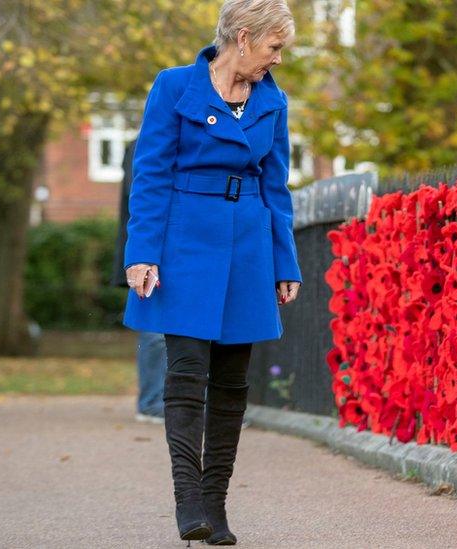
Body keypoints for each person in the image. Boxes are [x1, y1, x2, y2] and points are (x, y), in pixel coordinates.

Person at [121, 0, 302, 544]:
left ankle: (216, 506)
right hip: (184, 244)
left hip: (248, 245)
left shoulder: (273, 101)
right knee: (184, 375)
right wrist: (140, 251)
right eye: (274, 47)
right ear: (243, 38)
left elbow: (277, 188)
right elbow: (149, 173)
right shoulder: (175, 87)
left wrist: (284, 262)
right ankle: (189, 501)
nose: (277, 59)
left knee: (231, 383)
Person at [112, 140, 167, 425]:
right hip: (149, 254)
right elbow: (142, 195)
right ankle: (151, 402)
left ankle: (161, 401)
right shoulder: (144, 144)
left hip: (162, 250)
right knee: (154, 330)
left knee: (162, 331)